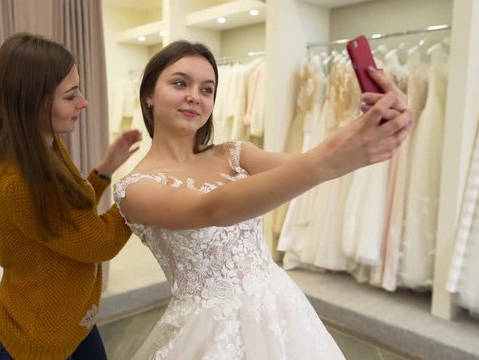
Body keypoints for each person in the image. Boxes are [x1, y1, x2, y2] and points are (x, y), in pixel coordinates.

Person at [113, 40, 413, 359]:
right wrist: (334, 157)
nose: (194, 96)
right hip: (210, 330)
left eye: (207, 89)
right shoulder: (135, 188)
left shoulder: (233, 154)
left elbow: (307, 165)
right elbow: (213, 209)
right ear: (148, 94)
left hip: (278, 306)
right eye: (180, 83)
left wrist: (371, 128)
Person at [0, 33, 141, 359]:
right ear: (34, 102)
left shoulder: (45, 145)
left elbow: (68, 214)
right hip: (39, 342)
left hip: (72, 323)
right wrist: (137, 191)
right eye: (71, 96)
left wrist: (105, 171)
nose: (83, 102)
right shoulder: (20, 181)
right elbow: (98, 241)